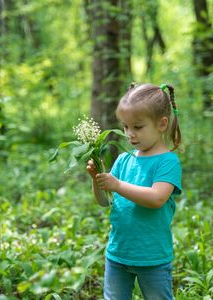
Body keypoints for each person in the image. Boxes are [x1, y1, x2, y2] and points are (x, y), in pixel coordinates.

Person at [86, 83, 183, 300]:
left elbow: (157, 198)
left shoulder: (167, 162)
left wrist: (117, 185)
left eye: (138, 127)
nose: (130, 134)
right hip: (118, 253)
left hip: (152, 256)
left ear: (161, 124)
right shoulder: (124, 159)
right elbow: (105, 201)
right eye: (126, 127)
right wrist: (97, 180)